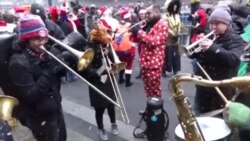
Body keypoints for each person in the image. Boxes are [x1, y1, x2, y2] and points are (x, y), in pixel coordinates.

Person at [8, 14, 67, 141]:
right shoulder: (18, 62)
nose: (42, 43)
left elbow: (57, 78)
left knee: (62, 138)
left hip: (55, 108)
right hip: (39, 116)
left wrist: (62, 66)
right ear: (26, 39)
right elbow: (31, 94)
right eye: (37, 39)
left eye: (44, 38)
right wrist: (51, 71)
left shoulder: (46, 51)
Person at [190, 8, 244, 115]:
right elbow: (193, 56)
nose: (213, 27)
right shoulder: (211, 37)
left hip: (222, 89)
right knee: (199, 118)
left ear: (226, 24)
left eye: (217, 23)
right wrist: (198, 46)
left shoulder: (236, 40)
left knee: (218, 121)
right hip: (204, 87)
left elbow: (233, 60)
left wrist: (212, 47)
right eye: (212, 23)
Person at [80, 23, 119, 141]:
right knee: (99, 108)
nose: (103, 44)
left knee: (111, 104)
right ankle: (100, 129)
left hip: (108, 79)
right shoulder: (88, 49)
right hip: (96, 81)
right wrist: (101, 65)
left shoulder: (106, 45)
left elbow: (114, 61)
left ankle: (113, 123)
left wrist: (109, 53)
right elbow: (86, 70)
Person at [131, 4, 168, 97]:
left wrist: (139, 32)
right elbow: (143, 40)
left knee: (155, 89)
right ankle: (150, 107)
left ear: (156, 12)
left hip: (153, 63)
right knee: (148, 88)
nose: (146, 15)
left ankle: (157, 109)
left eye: (148, 13)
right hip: (145, 62)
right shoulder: (151, 24)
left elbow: (154, 41)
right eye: (145, 13)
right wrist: (136, 32)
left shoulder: (162, 24)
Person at [164, 0, 182, 76]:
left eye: (176, 5)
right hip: (168, 40)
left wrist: (179, 31)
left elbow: (179, 25)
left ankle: (176, 69)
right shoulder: (165, 16)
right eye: (173, 5)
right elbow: (165, 27)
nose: (175, 7)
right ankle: (164, 70)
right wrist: (172, 33)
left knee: (176, 56)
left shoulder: (177, 16)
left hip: (176, 39)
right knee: (167, 55)